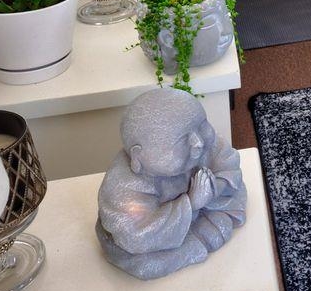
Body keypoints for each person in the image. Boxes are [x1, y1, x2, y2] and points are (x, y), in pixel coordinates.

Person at [96, 88, 247, 279]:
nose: (198, 142)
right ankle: (197, 239)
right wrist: (191, 204)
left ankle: (204, 230)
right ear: (139, 156)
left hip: (206, 209)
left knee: (230, 206)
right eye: (182, 139)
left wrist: (215, 187)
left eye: (201, 125)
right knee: (147, 263)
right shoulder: (123, 186)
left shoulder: (201, 147)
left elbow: (226, 160)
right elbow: (135, 234)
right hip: (161, 238)